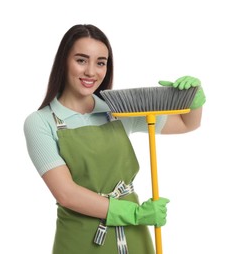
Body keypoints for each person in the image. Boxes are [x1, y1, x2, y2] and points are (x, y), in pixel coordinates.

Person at [24, 24, 206, 254]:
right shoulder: (40, 122)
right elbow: (66, 194)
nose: (91, 72)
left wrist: (194, 99)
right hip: (81, 239)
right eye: (81, 60)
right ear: (63, 61)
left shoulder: (118, 109)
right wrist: (135, 213)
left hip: (133, 235)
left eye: (100, 62)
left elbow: (186, 123)